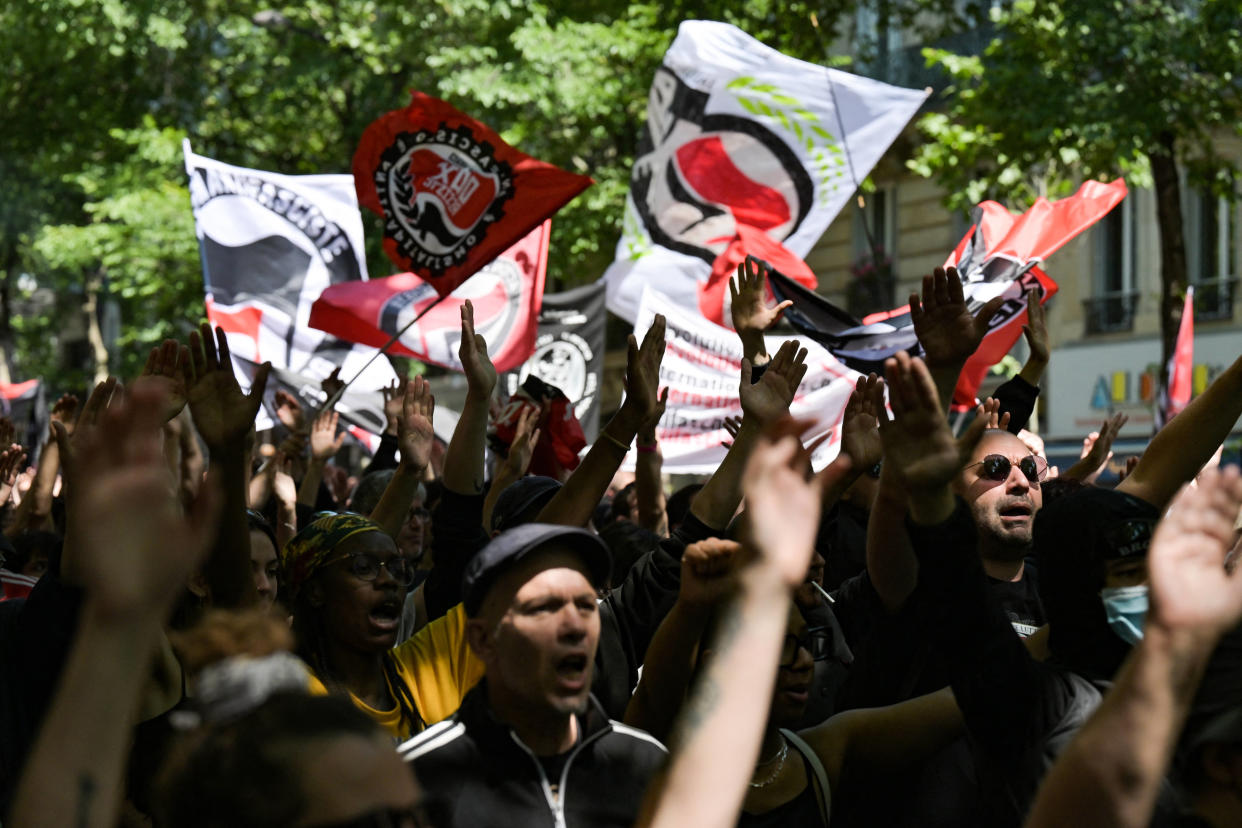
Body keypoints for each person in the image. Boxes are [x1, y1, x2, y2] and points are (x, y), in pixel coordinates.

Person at [398, 523, 667, 827]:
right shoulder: (415, 781)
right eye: (543, 608)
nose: (575, 626)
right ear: (483, 639)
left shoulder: (647, 765)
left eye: (586, 605)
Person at [1023, 467, 1242, 828]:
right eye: (1128, 573)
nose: (1152, 590)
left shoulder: (1197, 684)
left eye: (1155, 572)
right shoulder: (1051, 704)